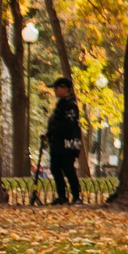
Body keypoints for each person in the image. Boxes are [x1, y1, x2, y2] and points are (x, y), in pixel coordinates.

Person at [44, 77, 84, 205]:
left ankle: (76, 196)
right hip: (57, 143)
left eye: (57, 88)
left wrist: (54, 130)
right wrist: (49, 134)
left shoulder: (71, 105)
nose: (55, 91)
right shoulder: (61, 104)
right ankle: (62, 196)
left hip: (68, 144)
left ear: (64, 88)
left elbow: (68, 125)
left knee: (68, 168)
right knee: (55, 168)